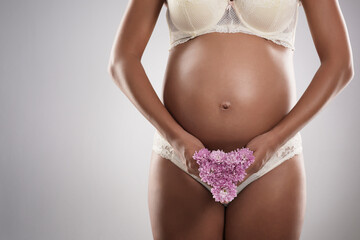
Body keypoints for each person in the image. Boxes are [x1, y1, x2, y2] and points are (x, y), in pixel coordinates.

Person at [108, 0, 354, 239]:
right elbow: (122, 61)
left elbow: (340, 64)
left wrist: (276, 140)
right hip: (181, 158)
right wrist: (176, 138)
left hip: (272, 161)